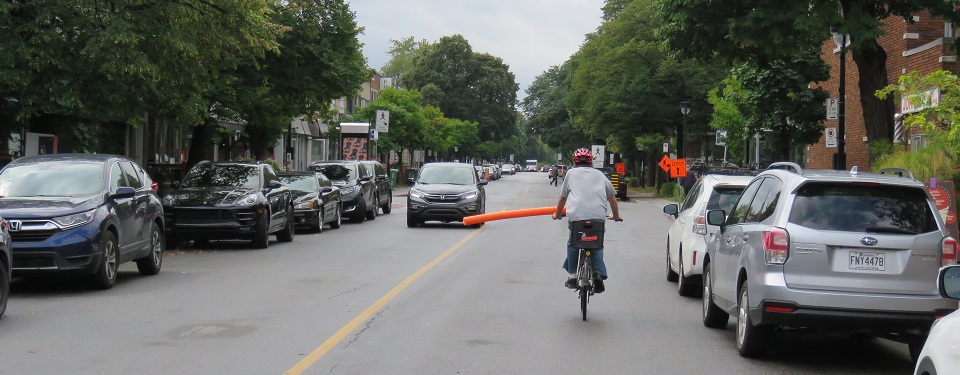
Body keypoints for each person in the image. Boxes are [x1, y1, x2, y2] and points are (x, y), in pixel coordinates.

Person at [552, 148, 622, 293]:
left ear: (574, 161)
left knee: (573, 243)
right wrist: (616, 216)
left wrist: (557, 214)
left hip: (576, 217)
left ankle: (572, 276)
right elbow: (613, 200)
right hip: (597, 217)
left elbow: (562, 198)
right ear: (591, 161)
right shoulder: (601, 175)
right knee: (597, 244)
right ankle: (597, 275)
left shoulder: (570, 174)